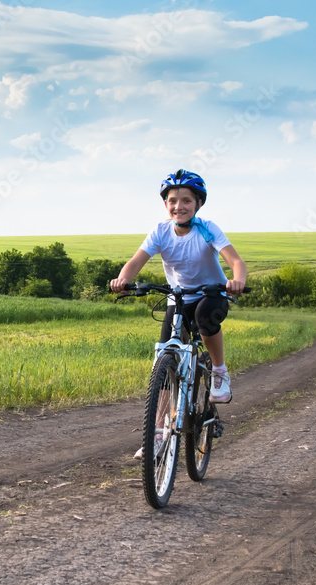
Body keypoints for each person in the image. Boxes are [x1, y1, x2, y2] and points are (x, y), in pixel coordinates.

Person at [109, 169, 247, 458]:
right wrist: (123, 280)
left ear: (198, 203)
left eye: (186, 200)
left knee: (205, 318)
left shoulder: (207, 229)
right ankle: (157, 435)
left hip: (212, 295)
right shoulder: (160, 232)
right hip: (178, 298)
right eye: (172, 200)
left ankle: (219, 371)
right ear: (165, 204)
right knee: (163, 360)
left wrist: (237, 281)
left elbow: (235, 261)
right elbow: (136, 261)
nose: (178, 206)